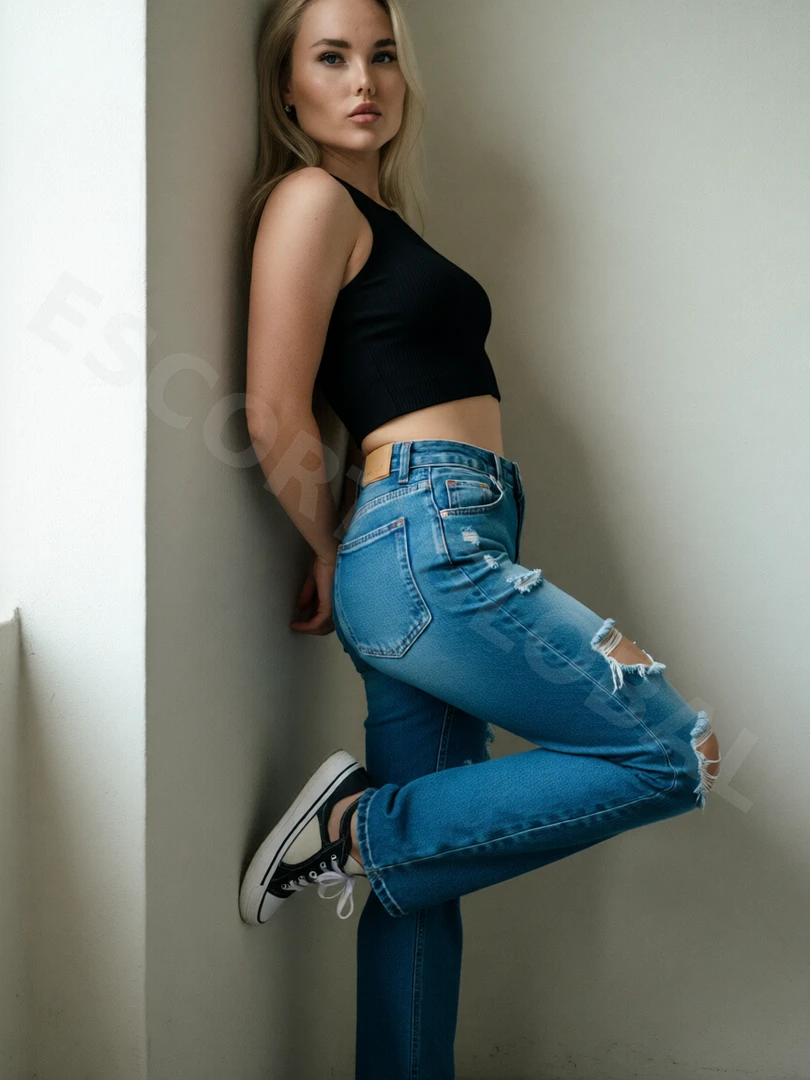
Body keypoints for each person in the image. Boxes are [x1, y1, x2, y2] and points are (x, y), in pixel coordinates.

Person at [237, 0, 723, 1076]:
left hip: (443, 532)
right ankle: (354, 830)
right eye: (332, 58)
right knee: (672, 749)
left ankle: (374, 847)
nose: (364, 80)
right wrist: (328, 544)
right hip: (424, 537)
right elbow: (273, 411)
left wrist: (340, 548)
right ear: (288, 91)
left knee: (421, 894)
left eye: (382, 56)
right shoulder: (310, 198)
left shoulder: (380, 220)